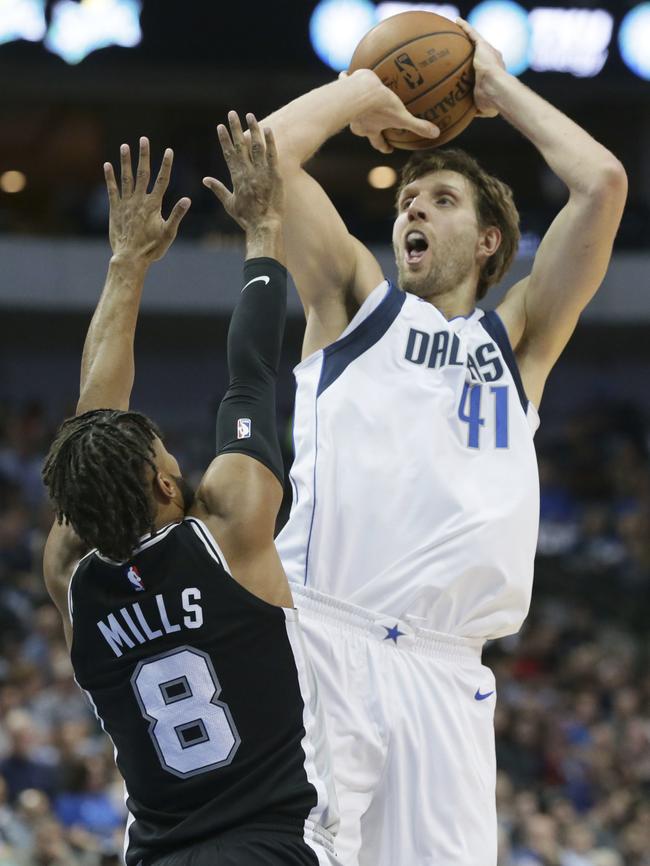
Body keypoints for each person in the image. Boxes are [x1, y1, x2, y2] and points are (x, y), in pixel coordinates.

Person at [218, 18, 627, 866]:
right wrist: (359, 93)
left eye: (440, 200)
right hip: (326, 638)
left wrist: (495, 87)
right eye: (408, 198)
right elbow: (265, 160)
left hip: (449, 675)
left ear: (487, 243)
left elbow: (601, 183)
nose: (413, 206)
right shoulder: (354, 307)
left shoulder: (518, 345)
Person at [41, 115, 338, 866]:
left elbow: (91, 425)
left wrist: (126, 264)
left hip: (158, 853)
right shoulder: (231, 525)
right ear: (169, 483)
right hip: (273, 842)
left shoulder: (70, 576)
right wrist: (263, 232)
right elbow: (251, 374)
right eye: (164, 448)